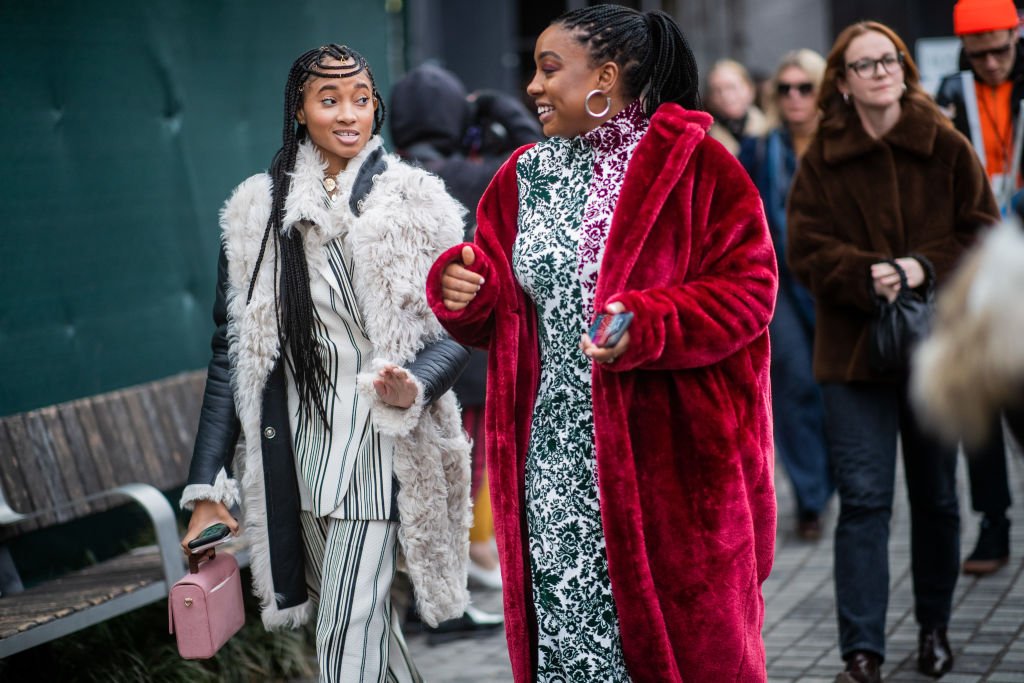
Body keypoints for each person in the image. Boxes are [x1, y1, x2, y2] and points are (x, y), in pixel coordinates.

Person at [427, 6, 778, 681]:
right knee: (572, 654)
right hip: (552, 468)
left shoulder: (696, 165)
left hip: (671, 467)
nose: (532, 85)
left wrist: (646, 322)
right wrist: (463, 288)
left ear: (607, 77)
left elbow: (750, 289)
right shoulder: (521, 175)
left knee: (692, 649)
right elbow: (497, 301)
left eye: (549, 68)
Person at [178, 44, 473, 682]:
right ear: (300, 110)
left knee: (344, 638)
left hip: (380, 445)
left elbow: (460, 333)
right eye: (329, 99)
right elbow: (234, 354)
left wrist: (413, 384)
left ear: (377, 105)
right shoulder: (256, 211)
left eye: (361, 98)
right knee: (369, 635)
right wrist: (206, 486)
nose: (348, 113)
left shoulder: (417, 204)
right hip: (296, 454)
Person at [786, 21, 999, 683]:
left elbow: (984, 234)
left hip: (934, 350)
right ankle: (862, 651)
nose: (879, 71)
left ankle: (934, 629)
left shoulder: (945, 144)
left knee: (936, 496)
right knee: (866, 500)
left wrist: (917, 268)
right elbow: (804, 248)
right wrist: (861, 273)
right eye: (863, 65)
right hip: (852, 354)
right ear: (843, 84)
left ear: (903, 69)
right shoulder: (823, 156)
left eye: (888, 60)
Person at [389, 62, 542, 641]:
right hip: (461, 357)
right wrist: (492, 108)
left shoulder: (384, 178)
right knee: (458, 477)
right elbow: (534, 153)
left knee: (408, 482)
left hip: (396, 357)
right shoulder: (478, 175)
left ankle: (418, 601)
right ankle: (442, 605)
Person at [934, 0, 1021, 577]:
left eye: (1000, 49)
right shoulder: (949, 90)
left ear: (1018, 34)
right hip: (972, 260)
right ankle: (993, 522)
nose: (990, 62)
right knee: (977, 396)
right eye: (978, 52)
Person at [740, 48, 833, 541]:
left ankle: (837, 479)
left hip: (835, 283)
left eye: (806, 87)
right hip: (780, 285)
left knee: (835, 387)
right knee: (795, 386)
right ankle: (811, 498)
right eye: (785, 88)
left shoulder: (840, 144)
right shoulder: (761, 149)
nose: (794, 97)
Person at [706, 59, 770, 155]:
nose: (725, 96)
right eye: (717, 90)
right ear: (710, 98)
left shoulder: (769, 131)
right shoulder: (705, 137)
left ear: (750, 89)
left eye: (731, 87)